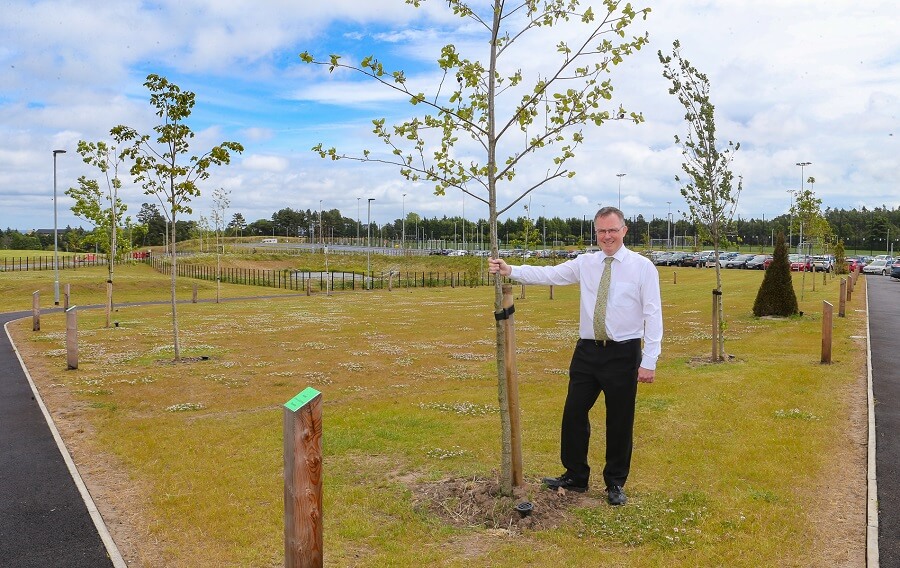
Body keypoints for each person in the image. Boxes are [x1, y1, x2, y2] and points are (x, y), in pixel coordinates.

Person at [488, 206, 662, 505]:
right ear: (596, 233)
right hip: (587, 352)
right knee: (573, 414)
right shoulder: (586, 263)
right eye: (601, 231)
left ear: (624, 231)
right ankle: (575, 475)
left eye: (612, 230)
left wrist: (649, 360)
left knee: (619, 420)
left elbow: (653, 314)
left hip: (623, 352)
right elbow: (549, 274)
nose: (607, 236)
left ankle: (615, 483)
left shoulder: (642, 267)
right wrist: (510, 270)